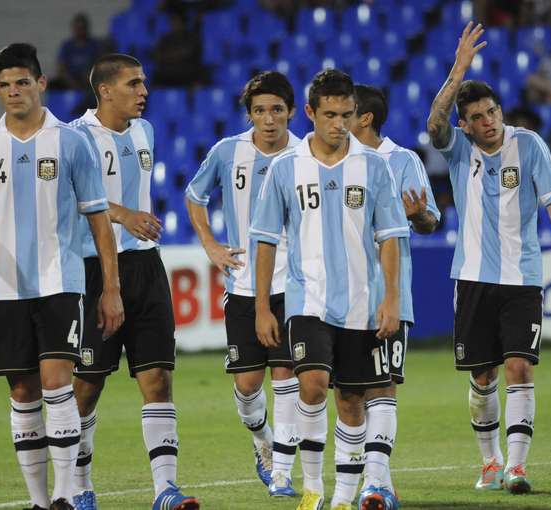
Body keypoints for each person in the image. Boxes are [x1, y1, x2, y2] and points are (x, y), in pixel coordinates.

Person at [0, 43, 124, 510]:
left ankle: (67, 492)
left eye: (22, 82)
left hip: (61, 282)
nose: (13, 91)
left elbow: (99, 222)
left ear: (41, 84)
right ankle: (39, 501)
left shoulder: (71, 142)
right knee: (23, 392)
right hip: (5, 288)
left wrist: (110, 288)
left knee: (55, 382)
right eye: (5, 84)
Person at [427, 22, 551, 495]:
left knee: (520, 366)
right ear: (466, 125)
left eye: (492, 111)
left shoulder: (530, 145)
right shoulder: (458, 148)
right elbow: (433, 125)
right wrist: (459, 70)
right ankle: (490, 462)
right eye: (477, 116)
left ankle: (518, 468)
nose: (488, 121)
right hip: (473, 277)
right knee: (483, 376)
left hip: (523, 278)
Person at [251, 69, 409, 510]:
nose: (339, 124)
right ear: (310, 113)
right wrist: (263, 307)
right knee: (314, 385)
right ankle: (313, 488)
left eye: (346, 114)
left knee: (353, 401)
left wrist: (391, 298)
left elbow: (391, 237)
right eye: (330, 115)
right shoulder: (286, 167)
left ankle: (342, 497)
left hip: (362, 303)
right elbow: (264, 240)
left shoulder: (374, 167)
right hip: (307, 299)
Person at [68, 54, 199, 510]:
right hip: (94, 270)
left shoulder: (145, 132)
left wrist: (133, 223)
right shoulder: (76, 137)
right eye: (133, 84)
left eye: (143, 83)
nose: (143, 91)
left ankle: (165, 488)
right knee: (86, 384)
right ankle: (79, 485)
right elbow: (71, 199)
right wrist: (124, 215)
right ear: (104, 90)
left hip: (146, 266)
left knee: (158, 378)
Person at [185, 71, 302, 497]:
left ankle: (284, 471)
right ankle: (263, 442)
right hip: (245, 284)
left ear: (290, 111)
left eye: (276, 110)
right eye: (259, 111)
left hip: (297, 283)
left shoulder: (306, 154)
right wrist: (212, 245)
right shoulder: (227, 152)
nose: (268, 120)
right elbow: (195, 196)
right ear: (249, 114)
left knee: (287, 371)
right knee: (248, 385)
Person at [344, 84, 440, 510]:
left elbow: (430, 220)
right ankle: (371, 478)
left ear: (364, 117)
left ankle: (378, 481)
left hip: (386, 294)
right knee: (348, 393)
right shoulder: (334, 161)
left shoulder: (402, 161)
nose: (336, 118)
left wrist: (419, 213)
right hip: (339, 295)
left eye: (345, 111)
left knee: (380, 387)